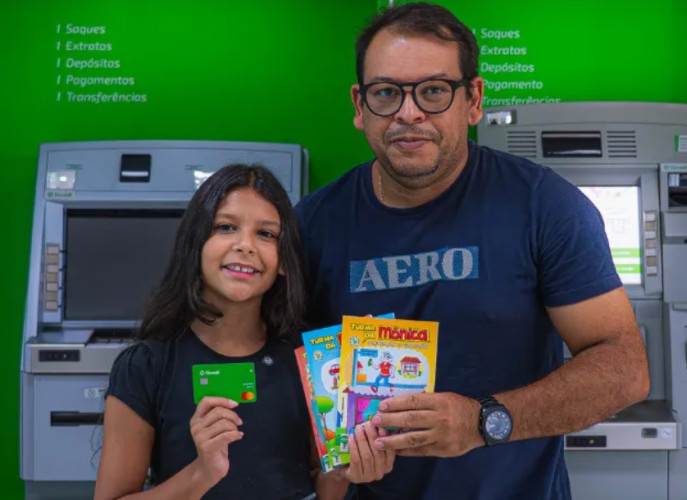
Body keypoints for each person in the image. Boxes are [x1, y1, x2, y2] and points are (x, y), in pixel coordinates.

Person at [294, 3, 650, 500]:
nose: (409, 113)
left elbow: (625, 369)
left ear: (474, 99)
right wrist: (330, 468)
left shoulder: (544, 206)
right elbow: (281, 376)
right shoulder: (312, 224)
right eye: (386, 92)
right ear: (360, 104)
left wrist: (482, 421)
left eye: (434, 90)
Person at [94, 164, 394, 500]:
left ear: (284, 260)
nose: (245, 245)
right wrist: (202, 473)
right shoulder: (145, 367)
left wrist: (342, 473)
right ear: (195, 244)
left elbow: (323, 486)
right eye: (226, 227)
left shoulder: (312, 360)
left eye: (266, 234)